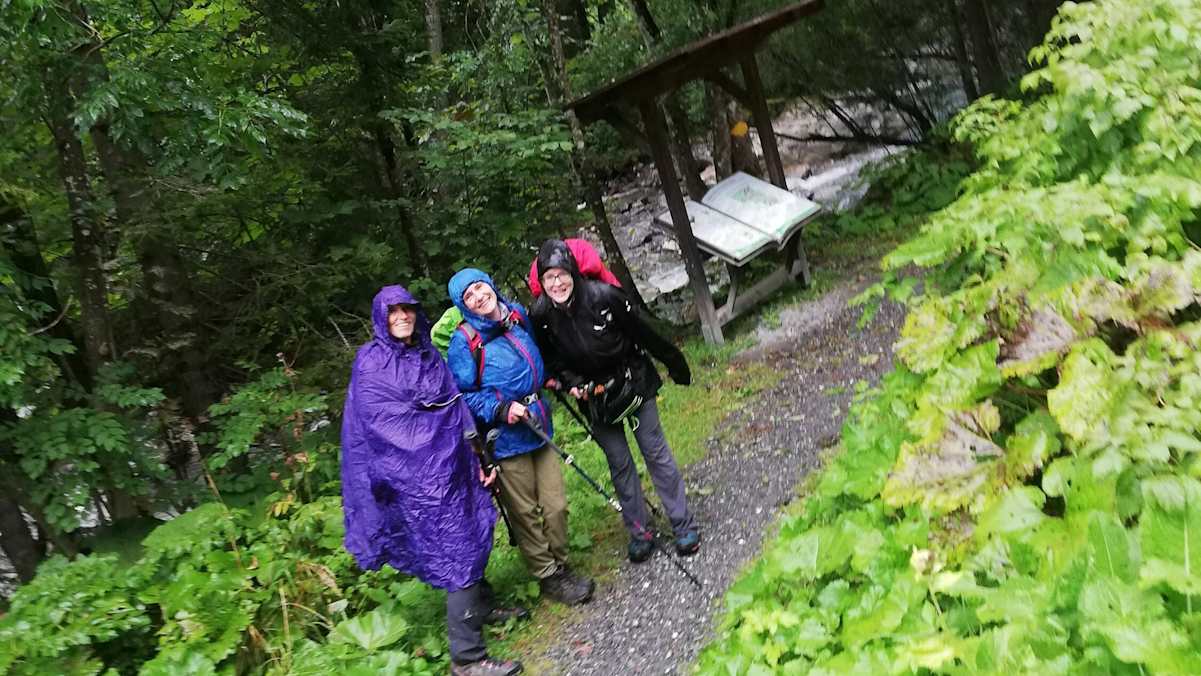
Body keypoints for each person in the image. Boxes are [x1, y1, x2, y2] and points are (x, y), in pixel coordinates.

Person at [341, 285, 524, 676]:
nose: (402, 317)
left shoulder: (427, 354)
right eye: (393, 312)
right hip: (418, 481)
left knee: (473, 532)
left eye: (407, 309)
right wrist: (437, 450)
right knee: (457, 550)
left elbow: (454, 406)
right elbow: (385, 429)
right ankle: (467, 658)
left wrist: (477, 455)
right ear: (381, 318)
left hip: (456, 464)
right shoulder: (372, 364)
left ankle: (482, 605)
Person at [529, 240, 701, 563]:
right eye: (549, 278)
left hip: (633, 382)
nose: (557, 283)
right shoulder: (541, 315)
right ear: (542, 282)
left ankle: (683, 525)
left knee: (654, 452)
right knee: (619, 463)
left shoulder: (605, 297)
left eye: (562, 274)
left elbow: (644, 333)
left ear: (573, 273)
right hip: (594, 398)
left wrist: (675, 363)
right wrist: (572, 383)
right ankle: (640, 533)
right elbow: (550, 360)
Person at [446, 268, 595, 606]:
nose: (479, 297)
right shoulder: (464, 341)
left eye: (480, 287)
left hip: (538, 424)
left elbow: (534, 356)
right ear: (462, 305)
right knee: (525, 513)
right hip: (506, 438)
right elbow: (463, 396)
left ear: (491, 285)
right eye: (469, 296)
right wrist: (500, 409)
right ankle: (548, 575)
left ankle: (561, 563)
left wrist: (551, 379)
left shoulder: (515, 316)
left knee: (556, 505)